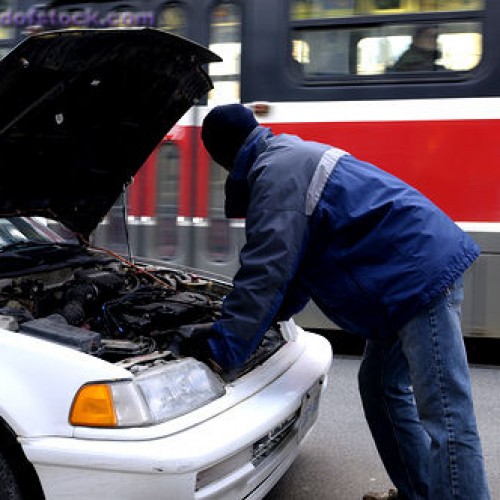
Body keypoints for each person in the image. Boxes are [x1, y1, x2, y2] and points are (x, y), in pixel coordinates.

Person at [184, 103, 490, 500]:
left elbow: (267, 272)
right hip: (404, 277)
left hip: (419, 278)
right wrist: (264, 322)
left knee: (446, 413)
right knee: (379, 387)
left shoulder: (276, 174)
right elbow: (295, 271)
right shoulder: (283, 159)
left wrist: (223, 348)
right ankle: (421, 492)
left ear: (221, 153)